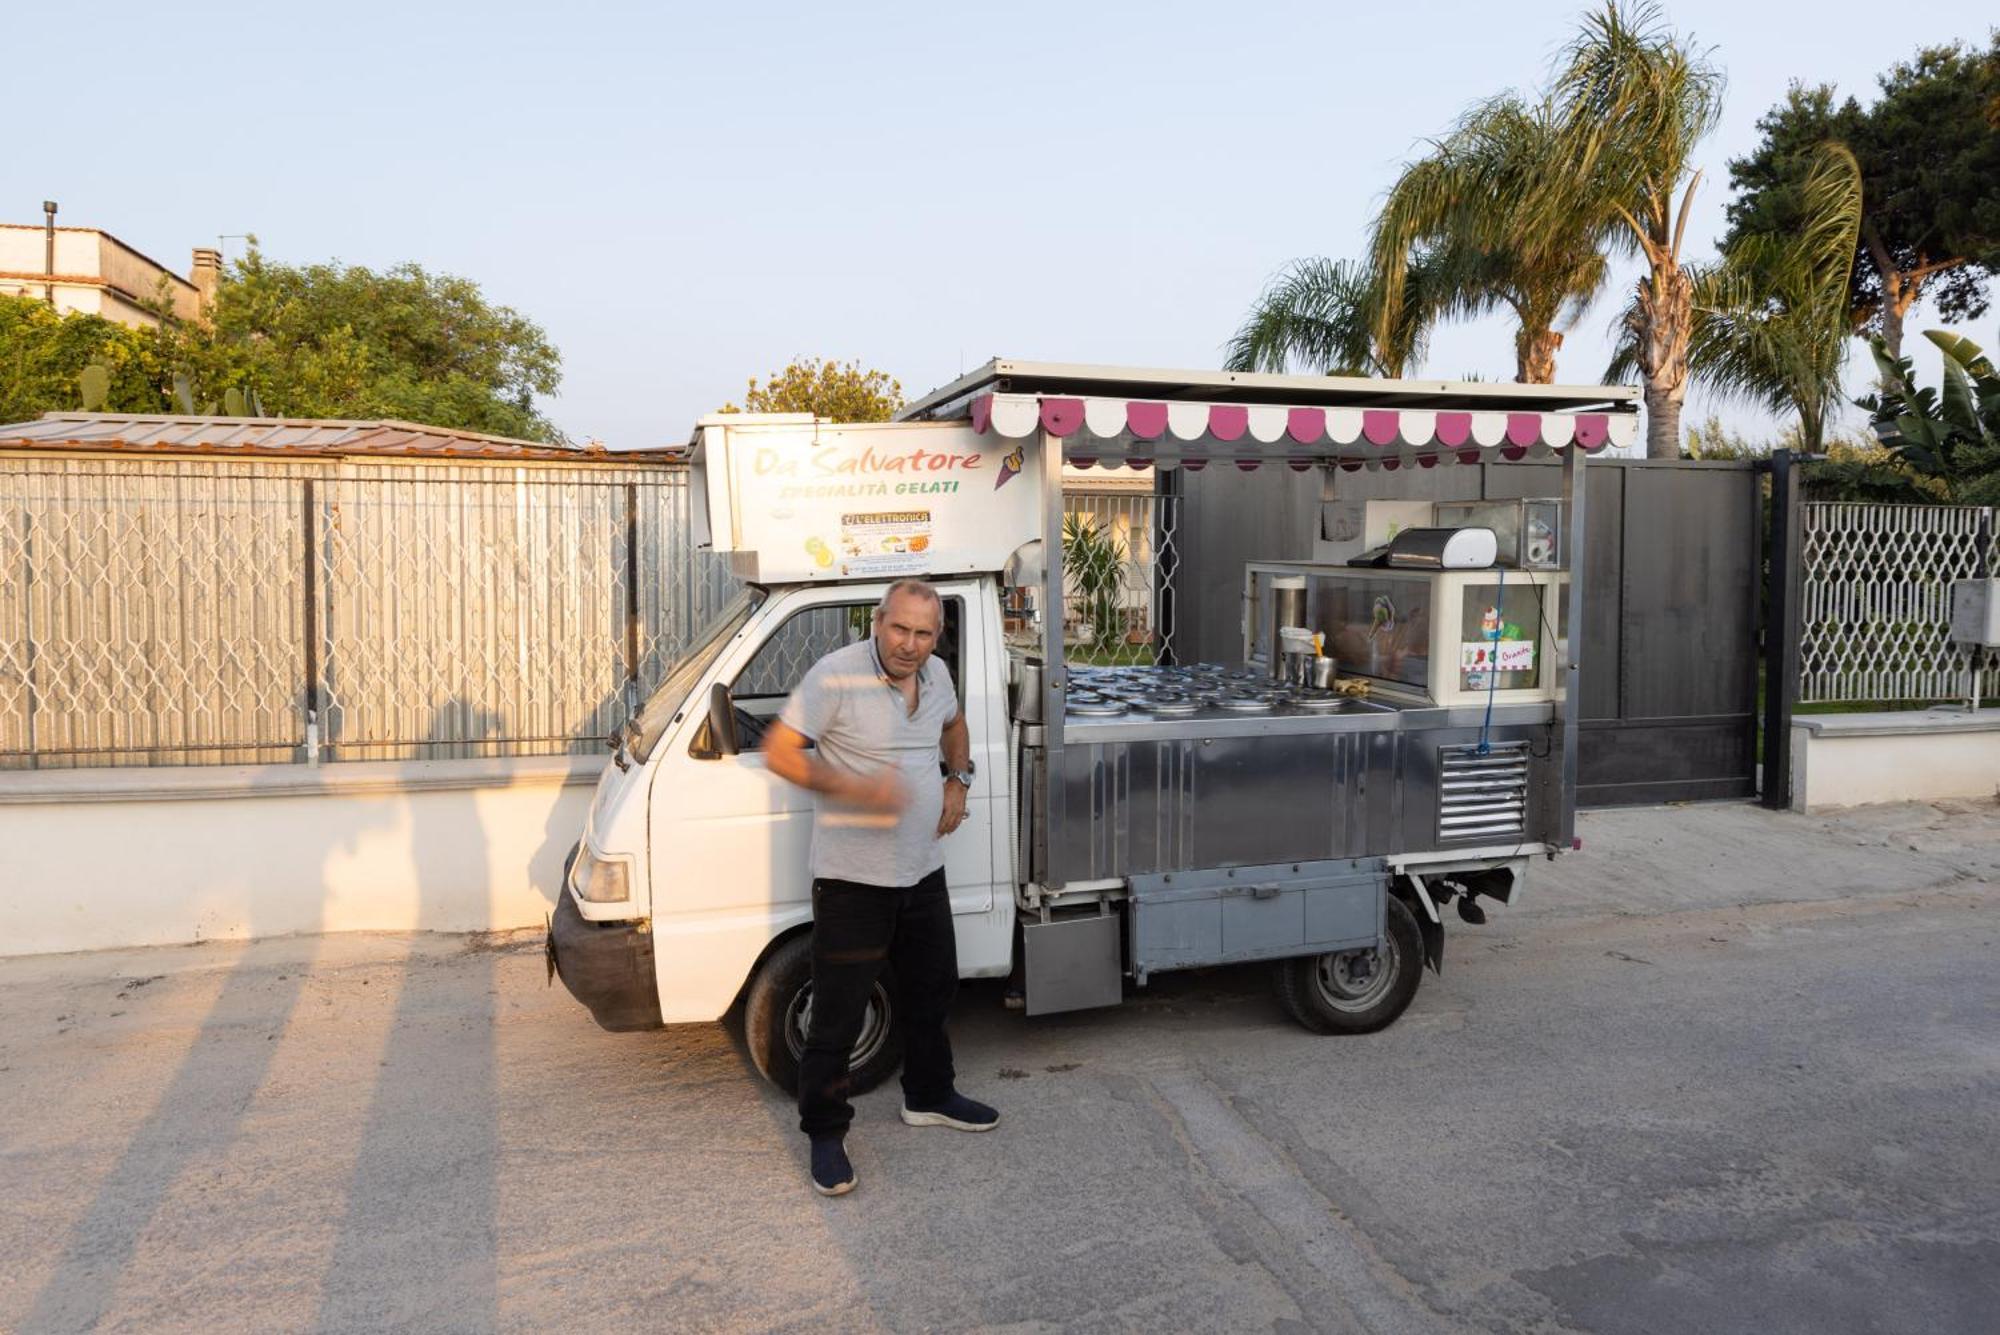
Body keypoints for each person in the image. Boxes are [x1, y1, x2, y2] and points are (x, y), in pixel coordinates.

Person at [762, 578, 999, 1197]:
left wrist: (958, 781)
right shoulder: (834, 675)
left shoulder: (938, 675)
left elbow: (954, 726)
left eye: (923, 633)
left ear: (937, 636)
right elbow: (780, 752)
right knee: (837, 1014)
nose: (909, 645)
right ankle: (825, 1133)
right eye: (900, 629)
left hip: (921, 868)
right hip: (852, 880)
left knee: (932, 990)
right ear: (877, 620)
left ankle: (929, 1095)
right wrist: (855, 789)